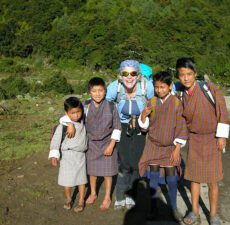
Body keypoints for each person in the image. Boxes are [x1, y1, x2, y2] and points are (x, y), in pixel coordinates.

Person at [176, 58, 230, 225]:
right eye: (182, 75)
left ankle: (213, 215)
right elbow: (181, 119)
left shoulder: (208, 88)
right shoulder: (180, 94)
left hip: (212, 138)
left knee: (213, 180)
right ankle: (194, 211)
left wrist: (222, 136)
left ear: (195, 74)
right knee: (194, 178)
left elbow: (222, 111)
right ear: (178, 76)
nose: (186, 78)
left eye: (189, 74)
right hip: (195, 140)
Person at [60, 77, 122, 211]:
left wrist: (111, 145)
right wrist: (69, 124)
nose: (98, 94)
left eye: (100, 90)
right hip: (91, 144)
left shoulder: (112, 106)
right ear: (89, 92)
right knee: (92, 172)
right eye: (94, 91)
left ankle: (107, 197)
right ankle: (93, 193)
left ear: (105, 91)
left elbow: (117, 127)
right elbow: (65, 113)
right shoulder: (85, 106)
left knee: (108, 173)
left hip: (107, 143)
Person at [138, 71, 188, 221]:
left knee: (172, 178)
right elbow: (144, 127)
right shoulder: (151, 102)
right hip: (153, 145)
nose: (159, 90)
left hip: (170, 147)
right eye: (157, 87)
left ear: (170, 86)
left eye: (163, 87)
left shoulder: (177, 103)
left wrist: (177, 150)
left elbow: (181, 127)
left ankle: (173, 208)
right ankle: (153, 208)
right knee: (153, 177)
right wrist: (143, 115)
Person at [106, 59, 154, 209]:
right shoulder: (115, 87)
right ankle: (120, 195)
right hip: (122, 126)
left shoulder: (147, 86)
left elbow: (154, 104)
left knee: (136, 162)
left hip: (140, 126)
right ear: (120, 75)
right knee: (124, 162)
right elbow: (103, 102)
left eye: (133, 73)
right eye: (125, 73)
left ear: (138, 75)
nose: (129, 77)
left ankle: (131, 195)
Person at [49, 97, 88, 213]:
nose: (76, 115)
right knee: (67, 180)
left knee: (81, 180)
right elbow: (55, 140)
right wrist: (54, 156)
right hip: (66, 156)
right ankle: (68, 199)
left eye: (78, 112)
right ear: (66, 113)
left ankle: (81, 201)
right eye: (73, 113)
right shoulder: (63, 126)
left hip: (80, 156)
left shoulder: (83, 122)